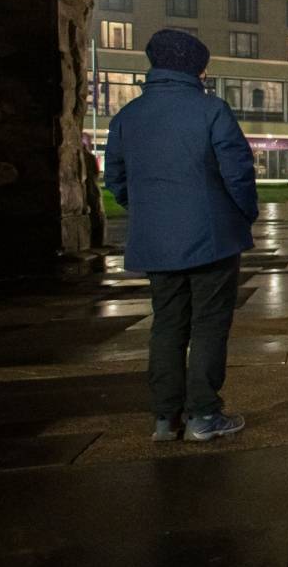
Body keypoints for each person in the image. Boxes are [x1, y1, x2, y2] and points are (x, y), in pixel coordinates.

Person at [104, 29, 257, 443]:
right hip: (212, 237)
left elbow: (115, 179)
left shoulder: (128, 117)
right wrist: (245, 214)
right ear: (197, 69)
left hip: (156, 240)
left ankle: (165, 418)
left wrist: (147, 212)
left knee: (167, 325)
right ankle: (204, 414)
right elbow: (238, 173)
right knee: (208, 325)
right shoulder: (211, 111)